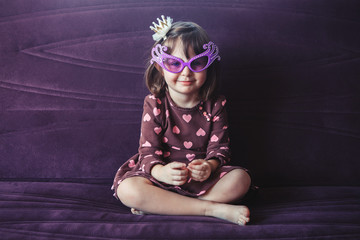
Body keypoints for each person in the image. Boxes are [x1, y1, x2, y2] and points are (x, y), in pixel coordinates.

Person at [112, 15, 252, 225]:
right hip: (160, 178)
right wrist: (161, 172)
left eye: (197, 63)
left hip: (202, 181)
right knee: (129, 190)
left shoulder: (216, 104)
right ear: (160, 68)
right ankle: (209, 209)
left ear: (208, 66)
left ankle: (164, 206)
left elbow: (220, 149)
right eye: (174, 63)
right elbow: (148, 152)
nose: (186, 72)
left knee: (241, 180)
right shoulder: (154, 103)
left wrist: (209, 166)